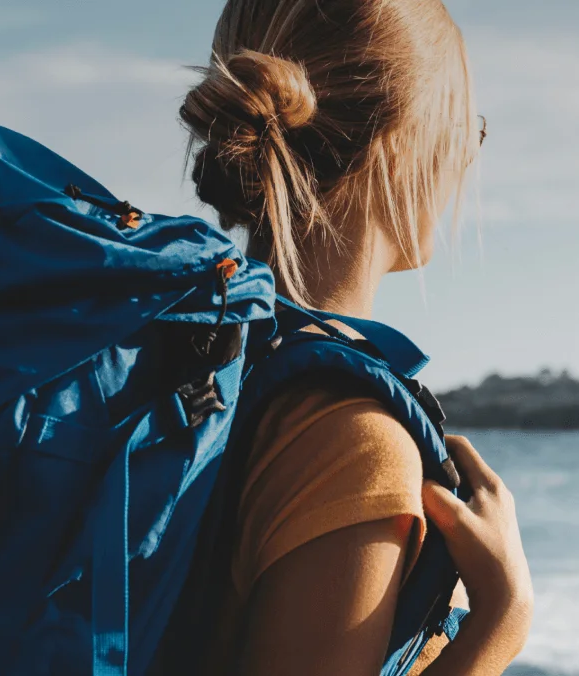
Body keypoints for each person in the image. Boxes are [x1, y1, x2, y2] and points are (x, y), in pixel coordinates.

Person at [172, 0, 533, 674]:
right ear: (401, 143)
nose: (465, 159)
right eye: (466, 130)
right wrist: (502, 622)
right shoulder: (350, 439)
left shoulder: (194, 355)